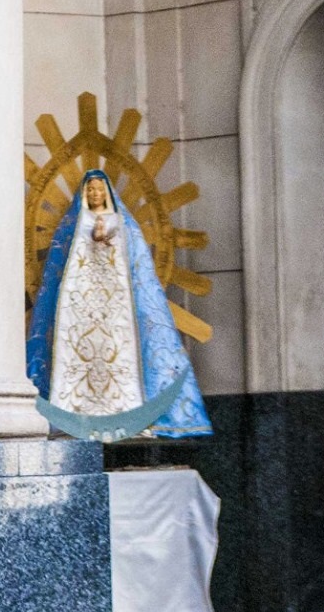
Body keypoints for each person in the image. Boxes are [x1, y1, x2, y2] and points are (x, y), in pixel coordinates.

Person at [27, 169, 211, 437]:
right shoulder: (73, 226)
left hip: (117, 306)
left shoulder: (122, 224)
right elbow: (61, 271)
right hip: (80, 306)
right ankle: (73, 411)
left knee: (121, 350)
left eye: (99, 189)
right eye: (90, 190)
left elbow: (135, 269)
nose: (94, 193)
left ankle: (127, 410)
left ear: (107, 193)